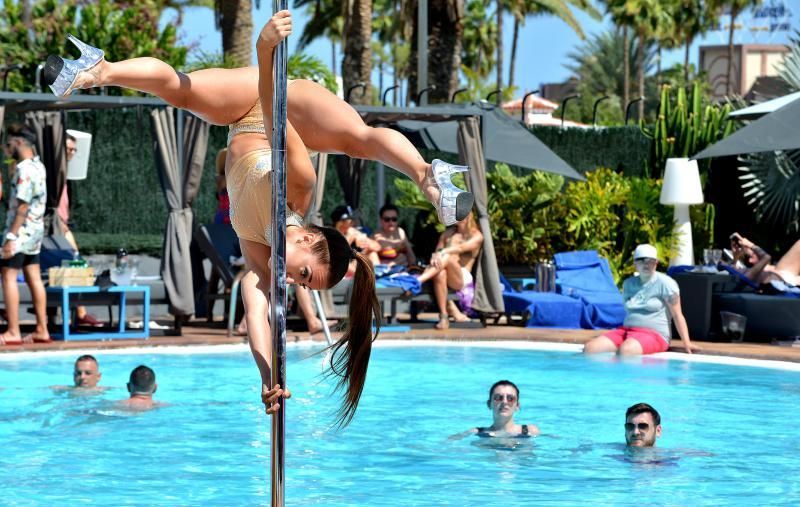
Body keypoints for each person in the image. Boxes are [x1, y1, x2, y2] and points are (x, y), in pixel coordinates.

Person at [46, 16, 379, 424]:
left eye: (303, 283)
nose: (294, 282)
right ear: (308, 240)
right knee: (178, 88)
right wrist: (264, 50)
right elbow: (278, 115)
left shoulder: (261, 257)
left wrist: (268, 375)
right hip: (261, 110)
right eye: (305, 274)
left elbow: (256, 314)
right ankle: (100, 70)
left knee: (178, 94)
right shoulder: (299, 189)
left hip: (236, 125)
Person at [42, 12, 474, 228]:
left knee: (182, 89)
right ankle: (427, 175)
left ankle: (100, 70)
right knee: (359, 138)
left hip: (255, 120)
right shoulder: (297, 202)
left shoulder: (262, 228)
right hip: (280, 108)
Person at [583, 244, 698, 356]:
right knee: (589, 349)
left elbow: (677, 315)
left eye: (650, 261)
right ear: (635, 264)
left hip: (655, 335)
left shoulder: (666, 283)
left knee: (626, 350)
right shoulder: (628, 284)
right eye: (641, 260)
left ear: (656, 263)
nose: (646, 264)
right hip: (626, 331)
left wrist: (686, 342)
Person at [0, 124, 51, 345]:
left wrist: (11, 237)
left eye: (9, 143)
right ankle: (42, 329)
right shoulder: (39, 166)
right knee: (33, 277)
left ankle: (13, 331)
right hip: (35, 231)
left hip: (20, 231)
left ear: (19, 142)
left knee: (8, 276)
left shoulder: (25, 170)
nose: (7, 148)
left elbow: (21, 207)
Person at [61, 135, 103, 327]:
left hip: (63, 227)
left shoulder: (64, 174)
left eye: (73, 150)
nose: (71, 153)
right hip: (56, 228)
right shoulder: (52, 172)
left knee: (76, 265)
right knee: (76, 264)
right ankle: (80, 312)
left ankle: (80, 311)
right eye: (68, 149)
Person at [415, 212, 483, 329]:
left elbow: (461, 248)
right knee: (441, 273)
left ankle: (418, 280)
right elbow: (437, 252)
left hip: (462, 277)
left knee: (449, 257)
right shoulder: (448, 233)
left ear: (468, 216)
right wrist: (435, 256)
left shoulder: (476, 235)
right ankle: (443, 316)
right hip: (443, 271)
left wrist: (444, 252)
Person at [451, 380, 540, 439]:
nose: (504, 402)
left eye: (510, 398)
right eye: (498, 397)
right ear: (489, 404)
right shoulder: (478, 432)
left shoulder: (530, 430)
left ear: (517, 405)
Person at [728, 232, 800, 287]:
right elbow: (767, 257)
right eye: (754, 253)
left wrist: (736, 257)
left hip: (785, 277)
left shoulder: (745, 273)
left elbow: (733, 269)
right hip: (784, 276)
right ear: (751, 261)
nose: (757, 251)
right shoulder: (748, 275)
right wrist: (750, 245)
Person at [371, 203, 416, 269]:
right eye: (387, 219)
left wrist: (406, 245)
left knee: (402, 256)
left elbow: (412, 259)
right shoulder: (376, 236)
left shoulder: (400, 232)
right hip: (383, 270)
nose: (391, 222)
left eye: (394, 219)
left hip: (401, 268)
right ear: (381, 220)